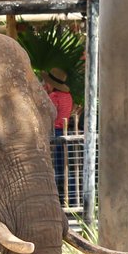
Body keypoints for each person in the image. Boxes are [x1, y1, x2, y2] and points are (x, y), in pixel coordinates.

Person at [41, 67, 73, 200]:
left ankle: (58, 195)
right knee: (65, 164)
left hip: (56, 131)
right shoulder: (68, 96)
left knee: (57, 165)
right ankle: (69, 196)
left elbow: (47, 113)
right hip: (65, 131)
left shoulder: (54, 96)